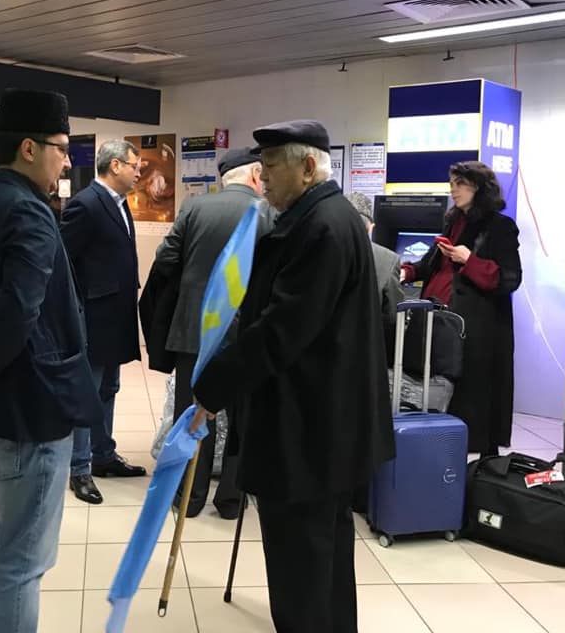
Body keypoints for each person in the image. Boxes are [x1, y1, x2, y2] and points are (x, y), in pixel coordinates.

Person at [192, 121, 395, 633]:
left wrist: (212, 387)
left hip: (307, 429)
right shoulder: (327, 217)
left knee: (300, 566)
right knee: (324, 556)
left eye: (271, 165)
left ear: (307, 167)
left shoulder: (321, 228)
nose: (262, 176)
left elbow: (280, 331)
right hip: (324, 425)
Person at [0, 89, 102, 633]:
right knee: (23, 559)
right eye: (62, 149)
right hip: (30, 410)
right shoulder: (29, 211)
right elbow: (20, 312)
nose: (66, 163)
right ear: (29, 148)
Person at [151, 146, 274, 519]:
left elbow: (165, 257)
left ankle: (188, 497)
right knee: (240, 417)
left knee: (191, 413)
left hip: (194, 328)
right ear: (255, 175)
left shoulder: (194, 207)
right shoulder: (266, 213)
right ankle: (231, 500)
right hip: (244, 334)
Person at [400, 161, 521, 456]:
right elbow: (431, 264)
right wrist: (406, 272)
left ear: (479, 188)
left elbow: (509, 278)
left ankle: (476, 459)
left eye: (460, 184)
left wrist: (470, 260)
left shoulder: (500, 227)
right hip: (440, 322)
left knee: (475, 399)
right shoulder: (454, 223)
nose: (453, 190)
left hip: (477, 329)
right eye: (452, 184)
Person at [61, 139, 145, 506]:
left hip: (116, 316)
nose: (138, 173)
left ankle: (103, 455)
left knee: (109, 388)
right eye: (134, 166)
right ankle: (79, 468)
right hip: (93, 319)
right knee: (88, 393)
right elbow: (63, 262)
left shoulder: (119, 203)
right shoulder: (86, 204)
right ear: (115, 166)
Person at [343, 191, 404, 359]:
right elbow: (393, 316)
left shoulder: (319, 251)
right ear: (371, 227)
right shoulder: (389, 259)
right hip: (366, 354)